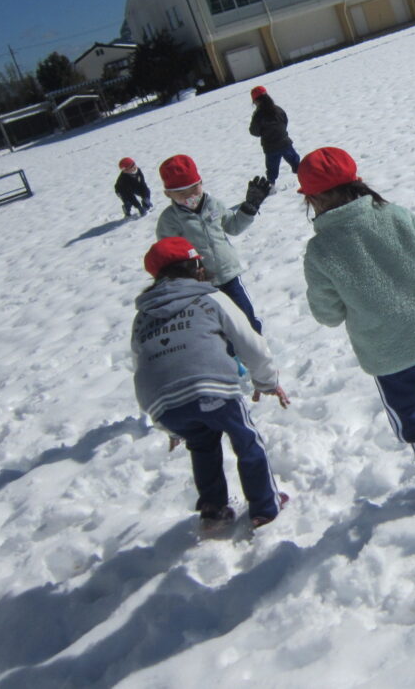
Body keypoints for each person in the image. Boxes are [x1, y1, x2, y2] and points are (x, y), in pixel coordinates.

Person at [298, 147, 415, 519]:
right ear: (357, 181)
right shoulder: (395, 214)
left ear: (313, 199)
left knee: (413, 420)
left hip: (390, 352)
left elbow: (328, 314)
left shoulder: (321, 251)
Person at [132, 237, 290, 530]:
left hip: (161, 403)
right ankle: (265, 507)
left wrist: (167, 424)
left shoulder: (142, 317)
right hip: (212, 388)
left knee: (201, 444)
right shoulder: (210, 297)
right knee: (246, 439)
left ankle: (213, 509)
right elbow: (250, 343)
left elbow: (142, 367)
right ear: (195, 266)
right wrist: (267, 382)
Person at [156, 154, 272, 333]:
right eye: (182, 193)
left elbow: (233, 226)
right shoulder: (170, 220)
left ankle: (257, 343)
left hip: (229, 274)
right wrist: (186, 271)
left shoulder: (214, 204)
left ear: (201, 183)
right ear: (168, 194)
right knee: (217, 326)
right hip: (201, 284)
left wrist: (249, 208)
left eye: (194, 188)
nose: (191, 196)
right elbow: (168, 255)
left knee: (245, 317)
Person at [248, 85, 302, 189]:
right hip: (285, 143)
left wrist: (263, 132)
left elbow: (254, 131)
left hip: (270, 147)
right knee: (297, 164)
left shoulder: (258, 115)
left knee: (271, 171)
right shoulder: (278, 109)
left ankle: (271, 187)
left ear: (256, 101)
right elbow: (285, 121)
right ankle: (306, 179)